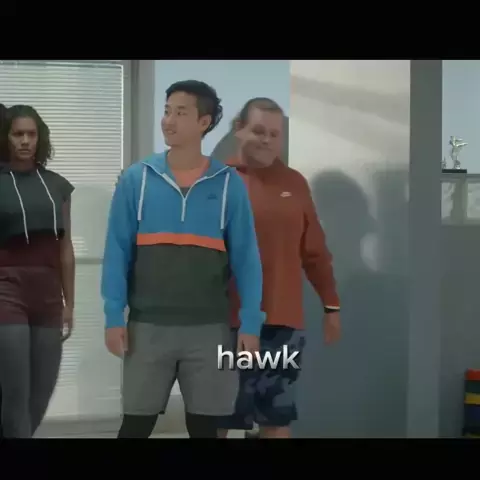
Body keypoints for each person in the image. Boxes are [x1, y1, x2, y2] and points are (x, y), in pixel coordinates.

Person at [101, 80, 265, 439]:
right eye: (166, 111)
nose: (168, 120)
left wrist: (251, 324)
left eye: (180, 112)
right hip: (146, 328)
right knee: (135, 427)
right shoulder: (137, 179)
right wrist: (113, 316)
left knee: (206, 429)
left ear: (204, 122)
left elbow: (247, 261)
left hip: (209, 330)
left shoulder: (228, 184)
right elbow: (116, 253)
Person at [217, 97, 341, 439]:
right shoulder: (217, 181)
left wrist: (331, 306)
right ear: (239, 129)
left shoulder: (294, 183)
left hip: (282, 326)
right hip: (226, 324)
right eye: (259, 131)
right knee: (219, 418)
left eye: (275, 134)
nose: (267, 140)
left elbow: (315, 251)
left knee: (276, 418)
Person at [0, 104, 75, 438]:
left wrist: (69, 303)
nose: (25, 141)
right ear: (6, 137)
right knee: (15, 397)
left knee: (39, 397)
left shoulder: (57, 186)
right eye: (18, 134)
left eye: (31, 134)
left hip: (48, 295)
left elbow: (65, 248)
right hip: (7, 290)